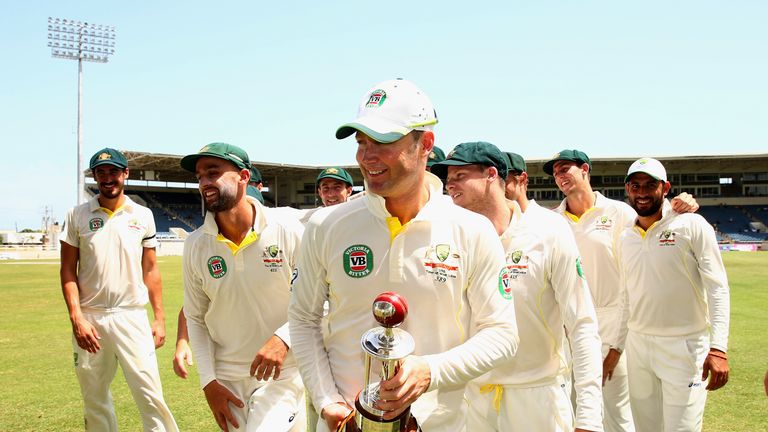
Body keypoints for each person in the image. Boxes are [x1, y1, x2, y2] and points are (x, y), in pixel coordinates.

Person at [288, 78, 519, 432]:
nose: (367, 156)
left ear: (425, 143)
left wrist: (431, 370)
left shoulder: (471, 230)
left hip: (439, 423)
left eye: (382, 141)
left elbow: (503, 335)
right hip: (346, 423)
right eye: (361, 142)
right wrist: (326, 400)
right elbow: (303, 321)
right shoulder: (326, 225)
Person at [433, 142, 603, 432]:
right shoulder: (449, 235)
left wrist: (588, 414)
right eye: (448, 178)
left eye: (460, 175)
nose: (450, 184)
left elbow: (582, 322)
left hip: (537, 399)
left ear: (490, 175)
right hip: (471, 400)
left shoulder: (548, 230)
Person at [543, 149, 699, 432]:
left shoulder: (619, 212)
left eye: (565, 168)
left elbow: (653, 228)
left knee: (616, 413)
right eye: (555, 173)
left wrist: (681, 205)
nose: (560, 176)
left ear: (585, 169)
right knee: (577, 409)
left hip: (612, 326)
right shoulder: (553, 221)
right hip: (570, 329)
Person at [180, 142, 306, 432]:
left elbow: (318, 298)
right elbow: (196, 318)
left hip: (281, 372)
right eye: (199, 177)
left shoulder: (286, 229)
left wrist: (282, 339)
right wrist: (208, 382)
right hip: (227, 378)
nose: (204, 183)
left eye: (213, 173)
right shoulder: (196, 244)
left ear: (244, 177)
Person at [60, 148, 178, 431]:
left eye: (113, 171)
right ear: (95, 177)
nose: (107, 178)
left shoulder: (143, 214)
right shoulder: (77, 215)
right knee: (94, 397)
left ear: (126, 174)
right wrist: (77, 319)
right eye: (101, 173)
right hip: (91, 318)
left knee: (150, 394)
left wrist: (159, 318)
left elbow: (150, 270)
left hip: (131, 315)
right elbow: (67, 270)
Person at [611, 157, 730, 432]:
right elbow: (627, 295)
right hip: (639, 346)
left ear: (665, 188)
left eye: (650, 185)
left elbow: (717, 287)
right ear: (627, 189)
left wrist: (719, 348)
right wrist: (617, 346)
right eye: (635, 185)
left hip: (684, 345)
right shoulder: (625, 236)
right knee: (646, 428)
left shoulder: (691, 225)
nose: (641, 192)